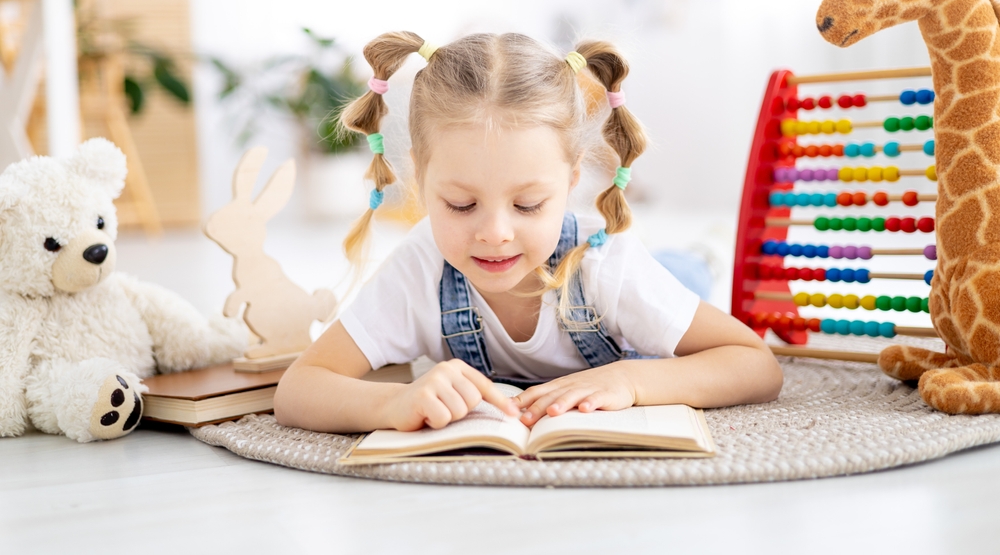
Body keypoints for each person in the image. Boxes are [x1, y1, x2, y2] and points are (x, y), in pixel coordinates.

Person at [274, 32, 782, 433]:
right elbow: (299, 390)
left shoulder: (607, 264)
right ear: (421, 179)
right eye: (461, 204)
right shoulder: (418, 268)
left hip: (649, 282)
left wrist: (629, 378)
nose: (495, 233)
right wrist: (392, 401)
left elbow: (755, 364)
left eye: (528, 205)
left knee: (686, 271)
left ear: (572, 180)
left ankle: (710, 247)